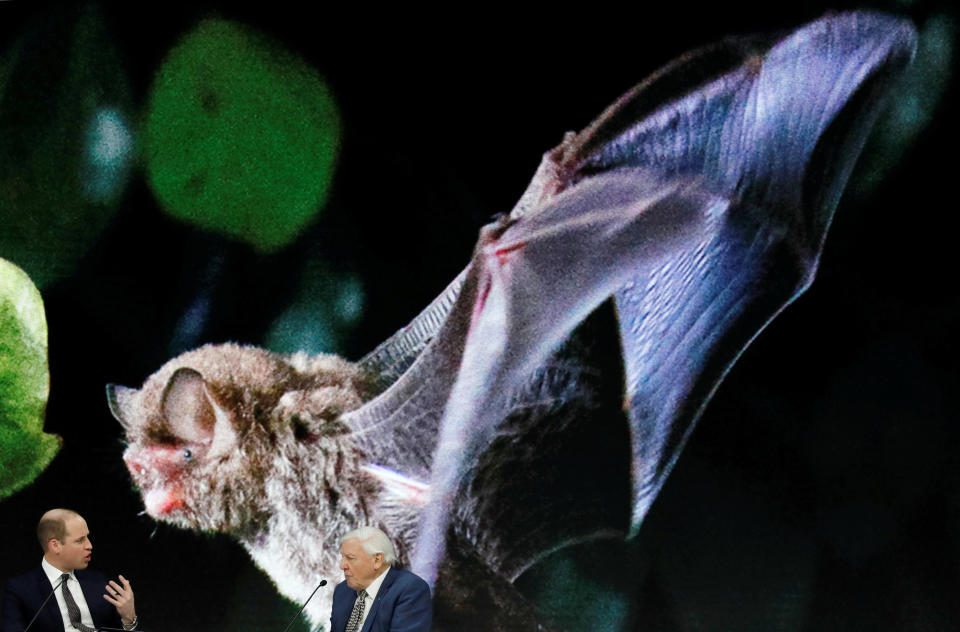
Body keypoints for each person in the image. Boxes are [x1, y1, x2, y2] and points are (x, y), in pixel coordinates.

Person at [0, 509, 138, 632]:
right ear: (55, 546)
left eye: (88, 537)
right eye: (80, 540)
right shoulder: (20, 589)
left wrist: (128, 619)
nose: (90, 545)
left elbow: (119, 628)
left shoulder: (98, 581)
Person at [330, 527, 432, 632]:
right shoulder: (342, 591)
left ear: (377, 560)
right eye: (343, 558)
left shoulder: (410, 589)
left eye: (350, 558)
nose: (342, 566)